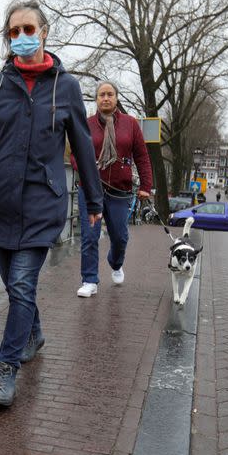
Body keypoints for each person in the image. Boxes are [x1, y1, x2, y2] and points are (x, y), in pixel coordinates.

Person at [0, 0, 103, 407]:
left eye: (28, 29)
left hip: (44, 205)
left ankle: (6, 372)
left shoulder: (66, 86)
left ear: (44, 31)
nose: (21, 37)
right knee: (14, 286)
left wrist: (93, 200)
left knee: (22, 284)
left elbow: (81, 146)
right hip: (0, 205)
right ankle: (34, 333)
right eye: (13, 31)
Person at [74, 81, 152, 298]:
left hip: (120, 190)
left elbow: (142, 156)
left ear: (116, 98)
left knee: (120, 236)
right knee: (89, 236)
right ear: (96, 100)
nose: (105, 98)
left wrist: (146, 186)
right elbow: (75, 153)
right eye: (101, 95)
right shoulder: (85, 124)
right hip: (91, 190)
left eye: (110, 94)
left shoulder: (130, 124)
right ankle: (89, 280)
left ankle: (115, 262)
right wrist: (83, 167)